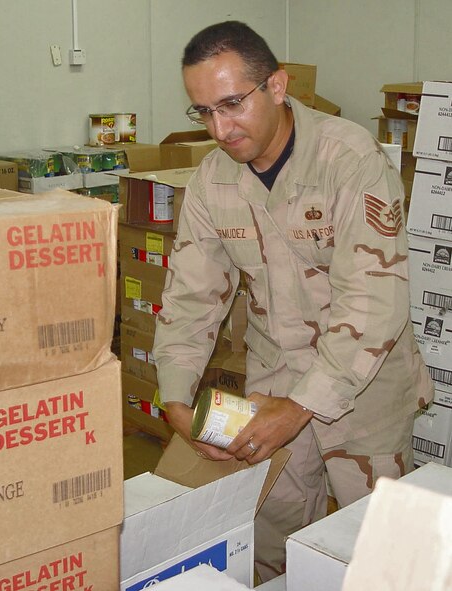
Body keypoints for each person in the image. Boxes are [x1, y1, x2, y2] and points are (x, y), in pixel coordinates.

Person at [152, 20, 434, 582]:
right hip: (274, 378)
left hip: (364, 388)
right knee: (273, 539)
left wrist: (304, 405)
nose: (219, 128)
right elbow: (191, 297)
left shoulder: (348, 160)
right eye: (203, 111)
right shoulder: (213, 180)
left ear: (277, 86)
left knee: (373, 548)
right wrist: (175, 396)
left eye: (231, 104)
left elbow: (375, 302)